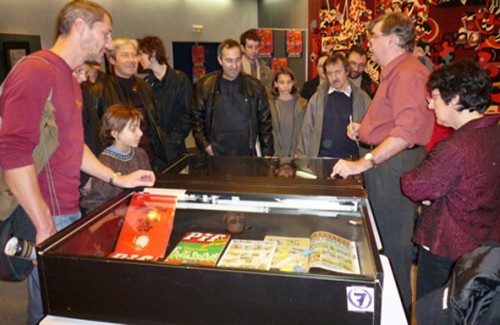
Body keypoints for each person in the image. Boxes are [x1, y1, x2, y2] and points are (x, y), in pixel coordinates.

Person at [0, 1, 155, 323]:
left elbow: (73, 146)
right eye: (106, 33)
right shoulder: (35, 70)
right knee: (49, 308)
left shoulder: (69, 79)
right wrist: (43, 225)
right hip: (45, 215)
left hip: (68, 211)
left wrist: (117, 177)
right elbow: (13, 153)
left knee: (68, 304)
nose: (110, 44)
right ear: (81, 27)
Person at [331, 13, 434, 316]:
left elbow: (405, 134)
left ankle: (398, 314)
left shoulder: (407, 73)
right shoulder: (396, 72)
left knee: (393, 246)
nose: (370, 44)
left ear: (392, 39)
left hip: (393, 169)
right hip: (387, 165)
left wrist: (363, 162)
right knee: (383, 244)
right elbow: (395, 123)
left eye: (374, 37)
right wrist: (365, 129)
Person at [401, 60, 500, 300]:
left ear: (455, 99)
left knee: (433, 312)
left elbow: (413, 185)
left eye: (434, 96)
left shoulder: (455, 147)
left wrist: (433, 192)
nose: (430, 103)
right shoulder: (493, 134)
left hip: (447, 248)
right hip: (487, 249)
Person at [85, 37, 169, 170]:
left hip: (149, 159)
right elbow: (94, 134)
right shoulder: (98, 91)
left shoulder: (145, 87)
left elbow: (154, 124)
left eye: (134, 55)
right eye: (125, 55)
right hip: (118, 164)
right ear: (112, 60)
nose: (131, 60)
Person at [191, 39, 274, 157]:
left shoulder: (255, 87)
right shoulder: (205, 86)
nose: (234, 66)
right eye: (229, 61)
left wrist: (268, 158)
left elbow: (266, 125)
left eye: (238, 60)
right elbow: (196, 120)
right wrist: (206, 146)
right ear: (220, 60)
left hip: (247, 156)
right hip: (215, 156)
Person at [296, 53, 371, 159]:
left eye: (338, 72)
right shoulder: (317, 98)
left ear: (347, 71)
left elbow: (372, 130)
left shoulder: (362, 99)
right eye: (330, 73)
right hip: (322, 160)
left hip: (352, 161)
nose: (334, 77)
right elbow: (307, 132)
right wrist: (302, 158)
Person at [81, 104, 152, 212]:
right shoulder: (105, 162)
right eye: (133, 129)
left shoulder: (140, 154)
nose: (140, 133)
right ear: (115, 133)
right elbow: (95, 205)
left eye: (139, 127)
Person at [138, 36, 192, 162]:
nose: (138, 59)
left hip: (175, 149)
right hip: (152, 151)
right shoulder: (145, 84)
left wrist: (171, 141)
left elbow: (187, 115)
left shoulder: (180, 80)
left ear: (152, 53)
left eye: (141, 54)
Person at [268, 67, 307, 157]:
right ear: (275, 84)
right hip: (275, 153)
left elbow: (305, 132)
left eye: (289, 82)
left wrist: (301, 151)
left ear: (293, 83)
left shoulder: (303, 104)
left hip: (296, 153)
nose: (286, 86)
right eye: (282, 82)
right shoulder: (269, 105)